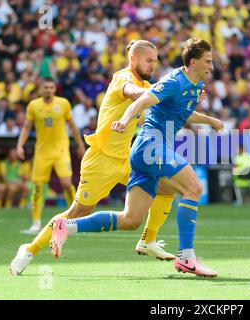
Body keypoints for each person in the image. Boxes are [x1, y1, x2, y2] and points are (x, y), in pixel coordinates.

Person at [50, 37, 223, 278]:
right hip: (151, 145)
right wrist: (125, 119)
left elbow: (182, 113)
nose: (211, 66)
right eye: (208, 61)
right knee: (193, 188)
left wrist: (211, 121)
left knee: (131, 219)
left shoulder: (194, 86)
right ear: (193, 62)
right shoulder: (174, 81)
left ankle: (66, 226)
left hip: (147, 153)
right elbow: (143, 100)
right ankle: (186, 258)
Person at [10, 40, 175, 276]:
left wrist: (184, 99)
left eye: (155, 61)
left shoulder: (146, 84)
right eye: (148, 60)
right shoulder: (123, 78)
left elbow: (157, 104)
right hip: (101, 159)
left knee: (167, 186)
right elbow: (134, 93)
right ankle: (29, 248)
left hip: (126, 158)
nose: (153, 65)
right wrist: (163, 92)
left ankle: (148, 240)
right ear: (134, 59)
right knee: (78, 212)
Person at [16, 77, 86, 233]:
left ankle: (73, 219)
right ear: (41, 89)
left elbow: (72, 126)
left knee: (67, 183)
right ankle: (35, 223)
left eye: (51, 87)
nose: (48, 90)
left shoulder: (63, 104)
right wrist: (20, 145)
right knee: (38, 187)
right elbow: (27, 127)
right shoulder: (34, 106)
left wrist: (80, 145)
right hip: (42, 152)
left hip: (61, 150)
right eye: (45, 87)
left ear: (55, 89)